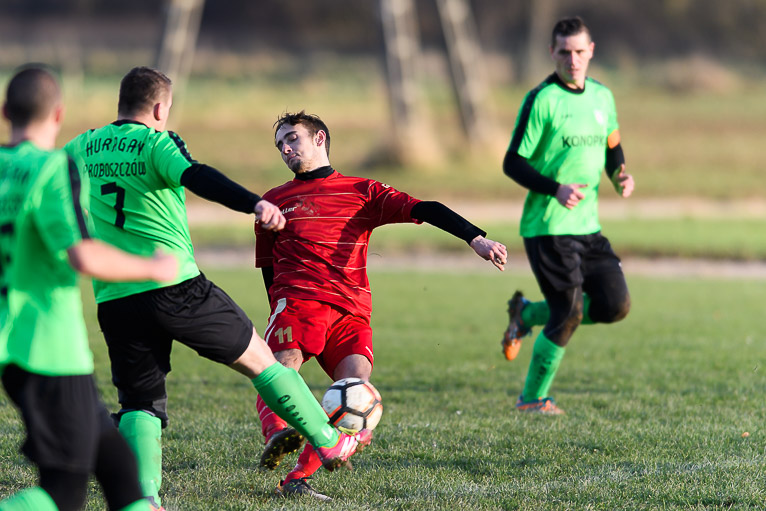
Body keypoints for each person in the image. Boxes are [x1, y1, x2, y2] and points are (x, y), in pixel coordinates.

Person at [64, 67, 362, 510]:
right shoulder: (156, 142)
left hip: (114, 296)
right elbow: (197, 175)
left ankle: (144, 500)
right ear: (160, 107)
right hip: (175, 285)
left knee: (140, 403)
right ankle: (328, 439)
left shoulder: (80, 146)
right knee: (262, 361)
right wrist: (254, 203)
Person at [254, 111, 508, 500]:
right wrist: (278, 307)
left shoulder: (363, 191)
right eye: (280, 145)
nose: (286, 149)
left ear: (319, 138)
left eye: (292, 139)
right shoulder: (273, 201)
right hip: (300, 300)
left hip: (352, 312)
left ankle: (296, 480)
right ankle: (278, 433)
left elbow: (424, 207)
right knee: (280, 367)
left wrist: (475, 238)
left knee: (357, 398)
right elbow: (268, 266)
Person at [0, 66, 178, 511]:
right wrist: (152, 267)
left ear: (5, 111)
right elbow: (82, 255)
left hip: (22, 346)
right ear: (59, 114)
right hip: (46, 350)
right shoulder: (51, 167)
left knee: (122, 477)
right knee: (63, 494)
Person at [500, 16, 634, 415]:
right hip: (548, 227)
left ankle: (526, 314)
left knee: (615, 305)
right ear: (552, 53)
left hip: (588, 227)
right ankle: (531, 399)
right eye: (564, 52)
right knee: (569, 312)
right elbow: (512, 163)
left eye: (579, 51)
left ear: (591, 51)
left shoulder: (602, 96)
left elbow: (612, 143)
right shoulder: (541, 100)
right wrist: (555, 188)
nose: (572, 60)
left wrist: (619, 174)